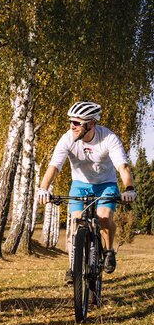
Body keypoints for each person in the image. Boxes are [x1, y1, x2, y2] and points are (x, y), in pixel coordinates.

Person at [37, 101, 137, 283]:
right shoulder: (67, 138)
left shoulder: (108, 138)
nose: (72, 126)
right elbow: (54, 167)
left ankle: (108, 251)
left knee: (104, 217)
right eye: (71, 122)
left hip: (105, 184)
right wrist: (43, 188)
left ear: (91, 124)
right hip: (80, 184)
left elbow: (123, 167)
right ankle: (72, 267)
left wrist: (129, 188)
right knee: (75, 223)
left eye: (77, 123)